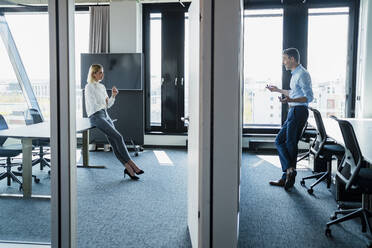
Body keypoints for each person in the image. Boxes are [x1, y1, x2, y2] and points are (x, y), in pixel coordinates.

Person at [85, 64, 144, 180]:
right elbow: (93, 105)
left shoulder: (101, 87)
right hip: (96, 116)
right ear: (94, 74)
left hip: (105, 114)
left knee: (114, 142)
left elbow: (108, 105)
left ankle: (128, 168)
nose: (102, 74)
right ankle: (132, 164)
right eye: (100, 72)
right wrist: (104, 103)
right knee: (118, 137)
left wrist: (113, 96)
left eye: (102, 72)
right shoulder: (89, 87)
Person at [266, 48, 313, 190]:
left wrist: (292, 99)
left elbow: (309, 97)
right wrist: (278, 90)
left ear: (292, 59)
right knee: (280, 141)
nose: (283, 62)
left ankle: (287, 174)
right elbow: (293, 92)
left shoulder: (303, 74)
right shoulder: (295, 74)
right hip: (294, 110)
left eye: (285, 58)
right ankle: (288, 172)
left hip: (299, 111)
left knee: (290, 143)